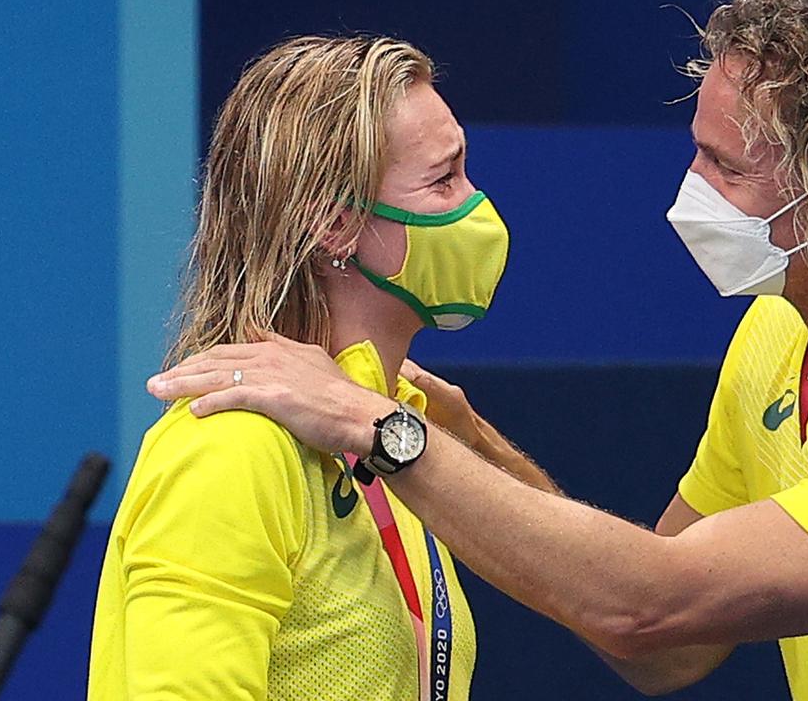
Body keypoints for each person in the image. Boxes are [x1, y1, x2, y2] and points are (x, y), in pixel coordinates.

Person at [148, 0, 808, 699]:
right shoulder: (777, 336)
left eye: (723, 166)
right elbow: (668, 646)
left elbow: (653, 608)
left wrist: (388, 436)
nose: (688, 193)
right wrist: (460, 446)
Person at [89, 35, 541, 700]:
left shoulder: (394, 439)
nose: (477, 207)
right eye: (444, 180)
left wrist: (466, 438)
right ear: (336, 224)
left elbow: (619, 601)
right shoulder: (231, 446)